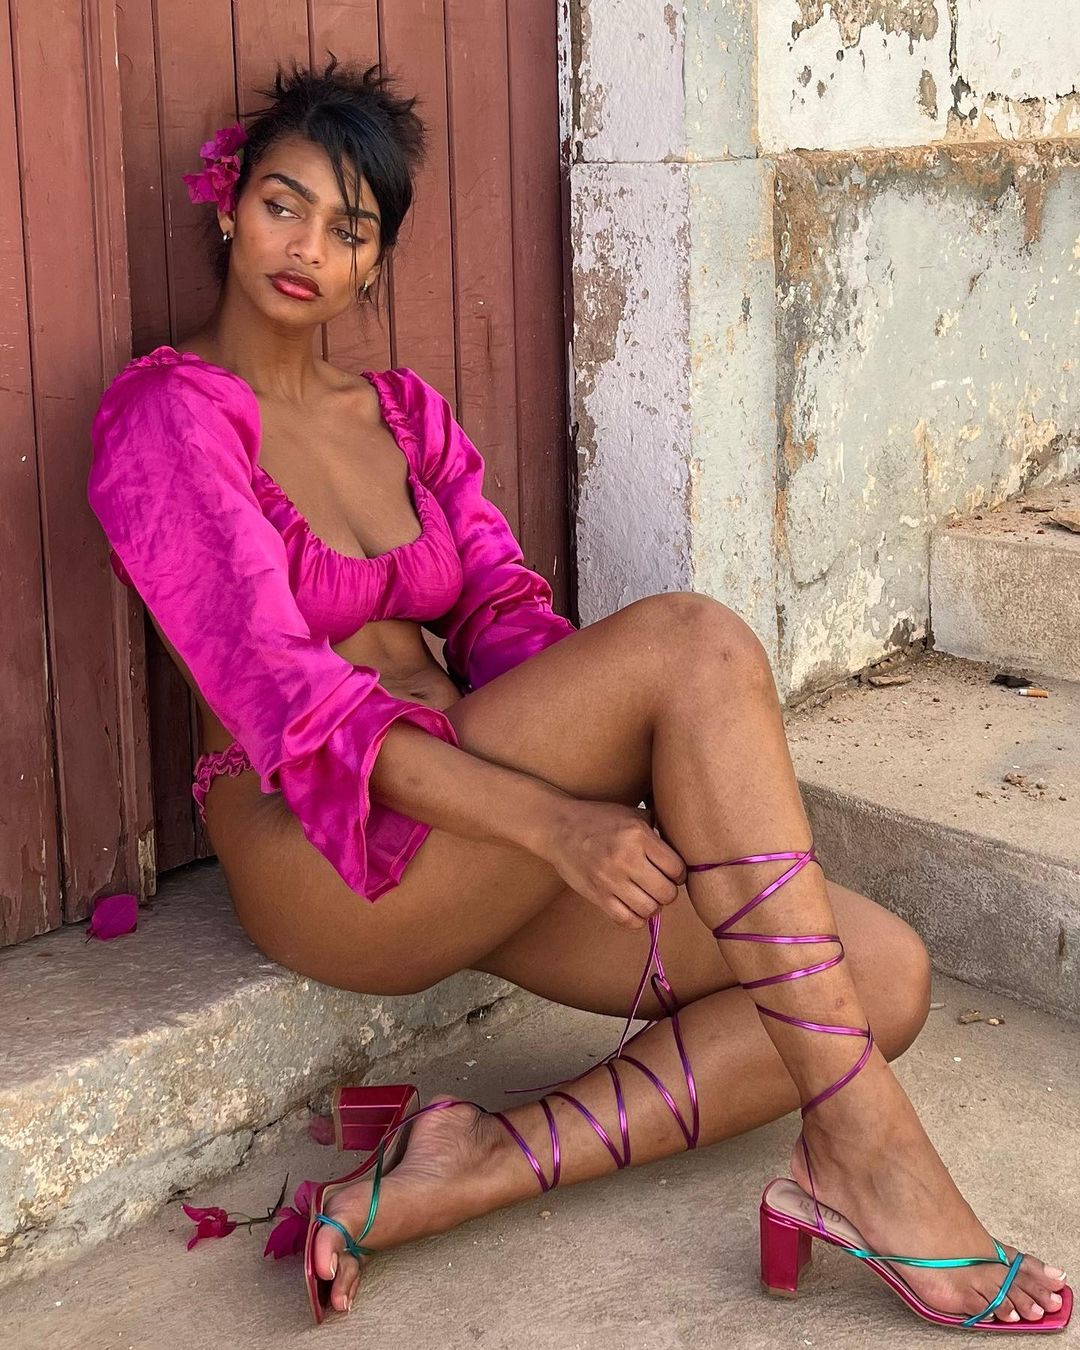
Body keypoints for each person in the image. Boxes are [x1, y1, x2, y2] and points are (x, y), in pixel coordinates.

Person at [87, 55, 1069, 1331]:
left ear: (376, 263)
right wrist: (560, 820)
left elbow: (508, 622)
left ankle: (470, 1164)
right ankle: (871, 1154)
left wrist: (614, 765)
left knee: (882, 976)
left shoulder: (402, 415)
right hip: (323, 853)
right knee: (694, 645)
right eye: (284, 205)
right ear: (229, 208)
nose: (309, 247)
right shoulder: (163, 419)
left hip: (470, 820)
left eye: (350, 228)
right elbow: (297, 708)